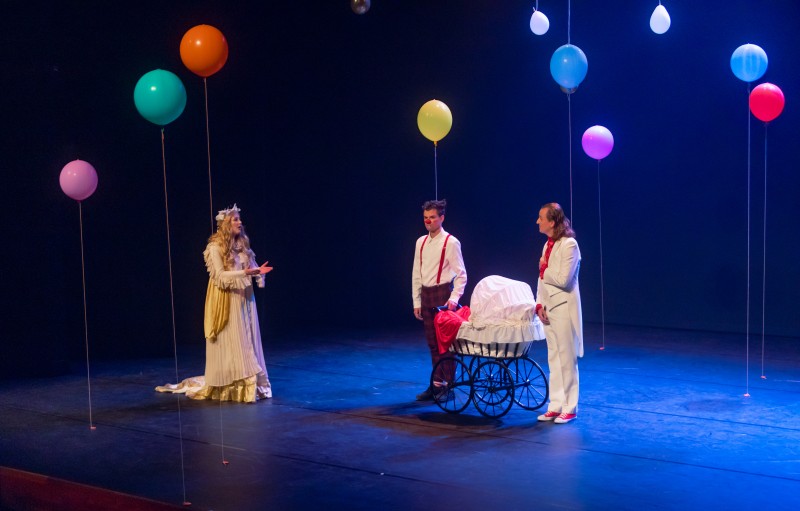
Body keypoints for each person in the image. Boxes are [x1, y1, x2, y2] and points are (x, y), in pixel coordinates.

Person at [155, 204, 274, 402]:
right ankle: (232, 385)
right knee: (235, 340)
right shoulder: (214, 247)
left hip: (246, 298)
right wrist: (245, 272)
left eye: (239, 219)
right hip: (227, 298)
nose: (240, 222)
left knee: (248, 339)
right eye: (235, 219)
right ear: (225, 223)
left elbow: (253, 268)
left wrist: (259, 274)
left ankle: (251, 385)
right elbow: (219, 275)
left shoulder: (243, 245)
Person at [411, 199, 467, 401]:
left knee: (446, 345)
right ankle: (436, 384)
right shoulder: (420, 242)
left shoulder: (450, 242)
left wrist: (454, 298)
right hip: (427, 295)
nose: (428, 221)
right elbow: (416, 273)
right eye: (426, 217)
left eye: (433, 217)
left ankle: (447, 386)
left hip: (443, 295)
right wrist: (417, 301)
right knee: (433, 344)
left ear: (442, 218)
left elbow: (461, 274)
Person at [534, 202, 583, 424]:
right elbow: (540, 279)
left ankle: (570, 406)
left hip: (563, 307)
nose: (537, 221)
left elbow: (563, 280)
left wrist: (545, 268)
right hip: (548, 308)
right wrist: (538, 305)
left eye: (541, 218)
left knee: (566, 358)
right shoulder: (547, 245)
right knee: (553, 358)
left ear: (552, 222)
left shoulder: (569, 245)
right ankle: (555, 404)